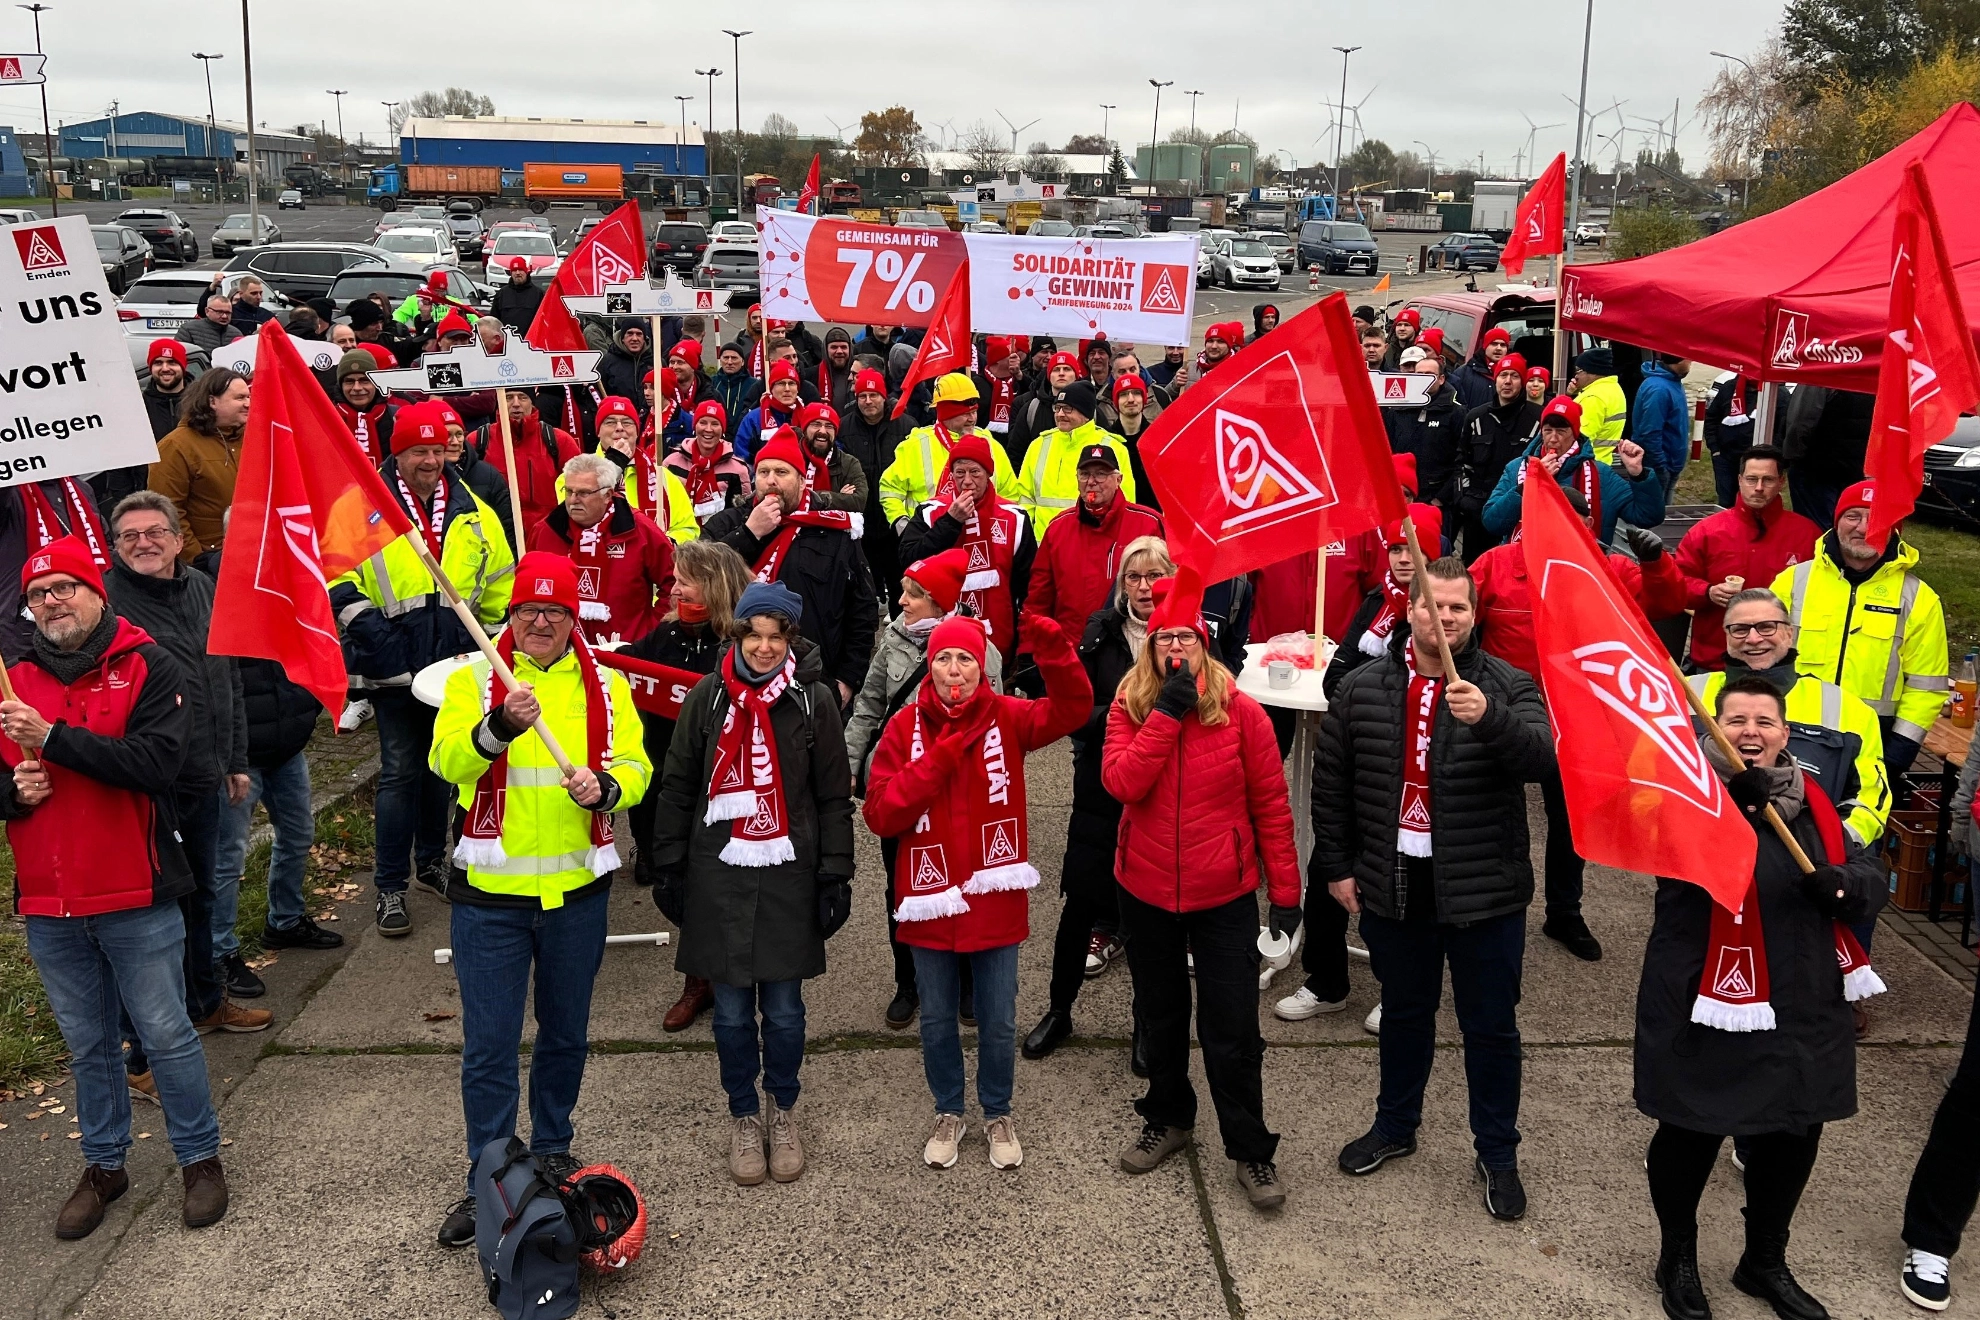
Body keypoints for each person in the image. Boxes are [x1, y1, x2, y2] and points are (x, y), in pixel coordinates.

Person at [1635, 676, 1885, 1320]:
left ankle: (1764, 1260)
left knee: (1793, 1132)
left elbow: (1868, 870)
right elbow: (1664, 847)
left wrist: (1845, 884)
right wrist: (1733, 810)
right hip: (1706, 991)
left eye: (1765, 722)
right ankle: (1678, 1255)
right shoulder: (1682, 787)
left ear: (1784, 732)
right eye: (1737, 720)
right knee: (1691, 1130)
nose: (1751, 732)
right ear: (1715, 727)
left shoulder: (1818, 799)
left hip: (1803, 996)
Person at [1, 536, 229, 1237]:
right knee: (87, 1045)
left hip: (136, 892)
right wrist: (12, 792)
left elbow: (160, 764)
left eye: (63, 587)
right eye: (37, 594)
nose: (50, 603)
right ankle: (106, 1164)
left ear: (95, 591)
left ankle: (200, 1159)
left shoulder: (147, 665)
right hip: (49, 899)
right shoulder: (14, 680)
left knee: (165, 1033)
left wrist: (55, 738)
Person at [1316, 557, 1554, 1221]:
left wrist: (1489, 720)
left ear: (1473, 615)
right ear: (1410, 609)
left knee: (1490, 1028)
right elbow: (1331, 785)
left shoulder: (1505, 685)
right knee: (1405, 1014)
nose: (1445, 619)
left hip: (1484, 892)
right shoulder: (1362, 688)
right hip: (1396, 886)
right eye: (1433, 606)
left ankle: (1497, 1152)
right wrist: (1337, 867)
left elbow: (1542, 760)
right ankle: (1396, 1127)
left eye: (1458, 609)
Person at [428, 552, 650, 1247]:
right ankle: (489, 1175)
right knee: (489, 1048)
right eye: (530, 610)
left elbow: (638, 766)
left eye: (555, 611)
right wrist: (498, 727)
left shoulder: (607, 685)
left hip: (576, 894)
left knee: (565, 1034)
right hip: (489, 899)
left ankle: (552, 1147)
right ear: (512, 616)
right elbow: (445, 762)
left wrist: (608, 791)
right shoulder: (474, 678)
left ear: (572, 617)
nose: (542, 621)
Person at [864, 610, 1089, 1171]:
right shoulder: (902, 729)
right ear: (929, 666)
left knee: (999, 1017)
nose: (954, 669)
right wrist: (938, 760)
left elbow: (1072, 711)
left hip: (993, 896)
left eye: (965, 657)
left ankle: (996, 1111)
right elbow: (880, 813)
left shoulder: (1006, 716)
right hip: (929, 899)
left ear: (982, 666)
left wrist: (1056, 654)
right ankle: (948, 1110)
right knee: (937, 1018)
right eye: (943, 657)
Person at [1102, 577, 1300, 1209]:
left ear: (1205, 643)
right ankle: (1170, 1116)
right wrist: (1165, 714)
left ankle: (1250, 1149)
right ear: (1151, 648)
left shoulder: (1242, 713)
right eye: (1165, 640)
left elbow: (1271, 804)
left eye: (1187, 637)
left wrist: (1288, 891)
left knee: (1233, 1028)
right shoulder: (1130, 705)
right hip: (1149, 889)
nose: (1176, 649)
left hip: (1224, 894)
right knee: (1159, 1017)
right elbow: (1122, 784)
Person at [650, 581, 854, 1186]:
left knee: (786, 1012)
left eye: (775, 637)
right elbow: (679, 784)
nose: (764, 648)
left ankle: (782, 1107)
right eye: (753, 636)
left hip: (789, 874)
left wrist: (835, 874)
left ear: (789, 639)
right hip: (719, 874)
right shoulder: (707, 699)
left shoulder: (813, 702)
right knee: (733, 1014)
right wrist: (669, 865)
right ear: (735, 635)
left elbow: (832, 796)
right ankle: (743, 1113)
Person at [1471, 491, 1687, 962]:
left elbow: (1667, 604)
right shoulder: (1496, 564)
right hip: (1504, 719)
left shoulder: (1606, 568)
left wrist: (1656, 563)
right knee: (1484, 816)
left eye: (1573, 519)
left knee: (1570, 823)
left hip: (1577, 721)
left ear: (1588, 523)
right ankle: (1482, 909)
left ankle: (1563, 911)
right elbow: (1457, 619)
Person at [330, 403, 515, 937]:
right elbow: (339, 582)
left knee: (443, 769)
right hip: (389, 669)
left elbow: (499, 583)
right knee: (400, 773)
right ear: (399, 453)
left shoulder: (474, 510)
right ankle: (390, 885)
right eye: (419, 451)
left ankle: (433, 861)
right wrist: (383, 646)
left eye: (438, 450)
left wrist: (484, 651)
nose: (431, 460)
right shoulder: (362, 508)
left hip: (452, 669)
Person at [101, 491, 270, 1032]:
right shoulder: (104, 605)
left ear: (178, 539)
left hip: (205, 776)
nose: (144, 543)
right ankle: (149, 1038)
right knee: (152, 916)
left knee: (202, 898)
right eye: (130, 535)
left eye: (155, 532)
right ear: (116, 548)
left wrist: (236, 759)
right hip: (146, 787)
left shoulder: (204, 588)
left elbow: (229, 679)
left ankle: (205, 1003)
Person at [1277, 508, 1442, 1026]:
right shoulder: (1377, 603)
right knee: (1327, 868)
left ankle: (1401, 991)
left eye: (1411, 549)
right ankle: (1326, 982)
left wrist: (1365, 690)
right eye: (1394, 549)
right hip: (1361, 766)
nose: (1401, 559)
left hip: (1412, 778)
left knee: (1401, 889)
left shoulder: (1446, 614)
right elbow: (1335, 680)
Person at [1025, 535, 1175, 1063]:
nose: (1144, 586)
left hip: (1162, 793)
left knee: (1147, 916)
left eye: (1155, 575)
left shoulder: (1188, 635)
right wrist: (1124, 721)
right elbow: (1073, 710)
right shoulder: (1099, 630)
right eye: (1134, 576)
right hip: (1101, 786)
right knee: (1080, 906)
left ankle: (1145, 1022)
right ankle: (1060, 1010)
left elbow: (1211, 704)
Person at [845, 549, 1004, 1027]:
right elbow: (869, 708)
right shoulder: (891, 641)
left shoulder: (980, 649)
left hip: (957, 797)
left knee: (963, 887)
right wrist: (851, 765)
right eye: (905, 591)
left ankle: (967, 982)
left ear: (941, 602)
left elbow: (991, 721)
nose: (903, 600)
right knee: (902, 890)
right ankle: (907, 982)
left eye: (915, 594)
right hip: (899, 793)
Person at [617, 540, 751, 1037]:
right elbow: (630, 666)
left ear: (713, 586)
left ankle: (718, 976)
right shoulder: (666, 635)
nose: (674, 589)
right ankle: (703, 974)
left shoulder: (741, 645)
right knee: (675, 882)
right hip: (666, 784)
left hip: (722, 787)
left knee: (722, 883)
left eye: (684, 581)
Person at [1686, 590, 1890, 851]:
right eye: (1739, 629)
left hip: (1807, 867)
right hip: (1702, 858)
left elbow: (1869, 800)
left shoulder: (1846, 708)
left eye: (1767, 627)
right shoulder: (1685, 694)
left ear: (1789, 634)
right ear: (1726, 636)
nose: (1753, 638)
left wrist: (1829, 849)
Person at [1770, 479, 1948, 774]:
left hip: (1872, 742)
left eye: (1877, 518)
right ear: (1836, 522)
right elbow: (1760, 657)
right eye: (1853, 516)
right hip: (1791, 731)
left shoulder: (1919, 599)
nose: (1864, 528)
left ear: (1894, 527)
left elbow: (1926, 688)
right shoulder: (1792, 582)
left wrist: (1898, 752)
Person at [701, 431, 877, 707]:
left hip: (813, 679)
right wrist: (749, 533)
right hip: (736, 672)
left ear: (802, 480)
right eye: (763, 472)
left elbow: (862, 608)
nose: (770, 480)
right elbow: (699, 580)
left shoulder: (834, 530)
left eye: (781, 472)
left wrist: (848, 679)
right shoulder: (729, 523)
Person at [1675, 445, 1820, 671]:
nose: (1759, 488)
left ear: (1781, 482)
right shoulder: (1706, 532)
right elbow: (1676, 585)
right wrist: (1707, 592)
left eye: (1768, 480)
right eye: (1752, 479)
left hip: (1781, 664)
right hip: (1716, 660)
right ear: (1740, 480)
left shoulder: (1807, 535)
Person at [895, 432, 1036, 654]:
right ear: (951, 475)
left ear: (988, 474)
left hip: (999, 637)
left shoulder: (1014, 517)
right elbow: (909, 559)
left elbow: (1029, 586)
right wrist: (950, 522)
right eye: (960, 473)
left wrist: (1025, 642)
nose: (967, 481)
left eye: (975, 473)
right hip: (936, 639)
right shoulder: (929, 512)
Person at [529, 452, 675, 646]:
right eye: (568, 491)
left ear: (607, 495)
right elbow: (528, 587)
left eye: (583, 493)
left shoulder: (640, 531)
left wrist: (650, 632)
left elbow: (674, 583)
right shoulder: (545, 531)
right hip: (563, 650)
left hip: (626, 653)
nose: (573, 500)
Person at [1481, 396, 1666, 549]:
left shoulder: (1601, 475)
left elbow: (1648, 516)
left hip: (1582, 575)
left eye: (1561, 431)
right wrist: (1528, 484)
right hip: (1526, 572)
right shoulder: (1517, 468)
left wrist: (1638, 474)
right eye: (1548, 431)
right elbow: (1492, 522)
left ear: (1575, 433)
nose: (1553, 438)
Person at [1025, 442, 1163, 645]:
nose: (1092, 481)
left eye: (1101, 474)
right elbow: (1038, 599)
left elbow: (1168, 587)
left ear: (1118, 480)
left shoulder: (1149, 522)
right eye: (1085, 474)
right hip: (1071, 652)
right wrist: (1029, 650)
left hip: (1130, 649)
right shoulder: (1058, 528)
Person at [879, 374, 1024, 533]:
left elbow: (1010, 495)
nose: (972, 419)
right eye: (965, 414)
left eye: (974, 412)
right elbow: (890, 490)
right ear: (946, 414)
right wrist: (904, 526)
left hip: (982, 539)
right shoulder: (915, 446)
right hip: (930, 539)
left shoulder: (991, 445)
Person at [149, 367, 250, 572]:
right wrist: (197, 557)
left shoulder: (252, 438)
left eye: (249, 396)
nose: (248, 403)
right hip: (210, 562)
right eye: (239, 398)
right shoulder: (176, 447)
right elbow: (167, 510)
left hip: (253, 551)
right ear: (212, 402)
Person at [1018, 382, 1136, 536]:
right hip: (1044, 545)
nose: (1060, 414)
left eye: (1067, 409)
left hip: (1093, 543)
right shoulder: (1039, 444)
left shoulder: (1113, 447)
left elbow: (1125, 502)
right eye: (1057, 408)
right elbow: (1025, 498)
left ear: (1085, 413)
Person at [1454, 354, 1540, 562]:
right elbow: (1461, 462)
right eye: (1503, 375)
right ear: (1495, 379)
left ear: (1523, 381)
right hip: (1479, 513)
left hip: (1519, 514)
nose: (1508, 381)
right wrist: (1465, 500)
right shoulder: (1475, 417)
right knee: (1476, 574)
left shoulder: (1538, 419)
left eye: (1514, 376)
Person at [837, 368, 911, 606]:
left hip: (895, 520)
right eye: (862, 396)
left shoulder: (906, 425)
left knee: (900, 584)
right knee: (864, 589)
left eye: (873, 395)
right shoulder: (844, 427)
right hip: (861, 521)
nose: (868, 401)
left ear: (884, 396)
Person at [471, 387, 581, 538]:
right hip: (497, 537)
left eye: (522, 397)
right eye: (508, 397)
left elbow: (582, 486)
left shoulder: (559, 441)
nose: (516, 403)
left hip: (547, 536)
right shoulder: (477, 440)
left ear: (533, 402)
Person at [590, 394, 698, 545]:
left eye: (627, 423)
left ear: (636, 431)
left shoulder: (663, 476)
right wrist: (614, 464)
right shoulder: (578, 473)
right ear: (598, 432)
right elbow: (574, 523)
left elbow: (689, 529)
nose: (620, 428)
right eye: (610, 422)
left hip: (652, 564)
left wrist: (667, 543)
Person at [1780, 385, 1873, 530]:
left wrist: (1791, 457)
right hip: (1854, 466)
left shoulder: (1821, 375)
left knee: (1815, 526)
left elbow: (1800, 423)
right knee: (1844, 522)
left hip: (1817, 467)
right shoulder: (1869, 377)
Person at [1387, 351, 1464, 509]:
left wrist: (1441, 499)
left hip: (1435, 501)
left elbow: (1462, 459)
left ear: (1441, 379)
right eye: (1419, 374)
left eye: (1429, 375)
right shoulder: (1397, 409)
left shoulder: (1456, 413)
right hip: (1399, 497)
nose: (1424, 379)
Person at [662, 399, 753, 529]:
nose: (708, 429)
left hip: (719, 543)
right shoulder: (671, 463)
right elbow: (664, 508)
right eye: (703, 422)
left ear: (723, 429)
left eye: (715, 424)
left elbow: (741, 515)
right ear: (694, 426)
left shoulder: (738, 470)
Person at [794, 401, 869, 514]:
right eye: (816, 424)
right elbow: (783, 497)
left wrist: (811, 497)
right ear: (804, 429)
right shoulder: (790, 459)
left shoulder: (849, 463)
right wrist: (839, 497)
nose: (823, 431)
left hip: (835, 529)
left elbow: (858, 501)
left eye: (829, 426)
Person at [1005, 351, 1081, 462]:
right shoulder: (1031, 409)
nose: (1061, 373)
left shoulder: (1090, 409)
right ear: (1049, 376)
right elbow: (1016, 453)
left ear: (1076, 375)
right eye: (1056, 369)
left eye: (1067, 369)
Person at [1703, 373, 1762, 509]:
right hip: (1725, 458)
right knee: (1726, 503)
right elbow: (1712, 417)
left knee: (1752, 503)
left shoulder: (1777, 394)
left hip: (1757, 462)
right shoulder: (1729, 388)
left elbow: (1782, 428)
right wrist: (1715, 448)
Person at [332, 350, 396, 465]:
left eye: (364, 380)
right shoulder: (328, 419)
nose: (357, 388)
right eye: (349, 381)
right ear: (340, 386)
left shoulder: (396, 417)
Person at [734, 359, 804, 462]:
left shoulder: (807, 416)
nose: (787, 389)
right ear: (771, 388)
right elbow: (741, 457)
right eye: (781, 383)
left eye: (792, 383)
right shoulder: (753, 419)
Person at [1110, 375, 1163, 506]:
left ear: (1144, 398)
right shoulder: (1107, 441)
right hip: (1117, 519)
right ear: (1116, 401)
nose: (1131, 399)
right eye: (1124, 394)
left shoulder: (1158, 439)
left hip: (1151, 517)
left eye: (1136, 393)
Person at [1569, 348, 1628, 463]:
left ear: (1593, 371)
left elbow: (1580, 439)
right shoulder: (1614, 389)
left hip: (1587, 465)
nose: (1575, 376)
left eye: (1578, 371)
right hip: (1603, 461)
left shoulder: (1593, 398)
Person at [705, 342, 765, 437]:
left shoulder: (753, 385)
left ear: (742, 362)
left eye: (734, 358)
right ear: (720, 360)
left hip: (745, 434)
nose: (729, 362)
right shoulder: (711, 383)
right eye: (726, 358)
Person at [975, 335, 1024, 445]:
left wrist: (1019, 375)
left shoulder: (1017, 381)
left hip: (1011, 444)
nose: (1015, 358)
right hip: (982, 442)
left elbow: (1033, 392)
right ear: (997, 361)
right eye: (1010, 356)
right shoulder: (977, 383)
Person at [141, 339, 193, 442]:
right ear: (150, 368)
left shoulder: (200, 402)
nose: (165, 368)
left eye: (172, 362)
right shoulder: (140, 406)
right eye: (158, 363)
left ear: (183, 367)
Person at [600, 320, 653, 402]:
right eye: (630, 334)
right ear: (622, 338)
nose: (635, 338)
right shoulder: (607, 362)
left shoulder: (655, 361)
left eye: (639, 334)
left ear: (644, 338)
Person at [175, 291, 242, 354]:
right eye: (219, 312)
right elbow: (177, 354)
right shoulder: (189, 330)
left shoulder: (236, 334)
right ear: (207, 311)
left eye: (228, 313)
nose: (224, 316)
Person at [489, 257, 544, 332]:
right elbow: (494, 321)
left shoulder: (538, 294)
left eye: (520, 269)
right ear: (511, 273)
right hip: (507, 341)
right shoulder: (502, 294)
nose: (517, 273)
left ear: (526, 271)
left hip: (529, 341)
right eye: (514, 270)